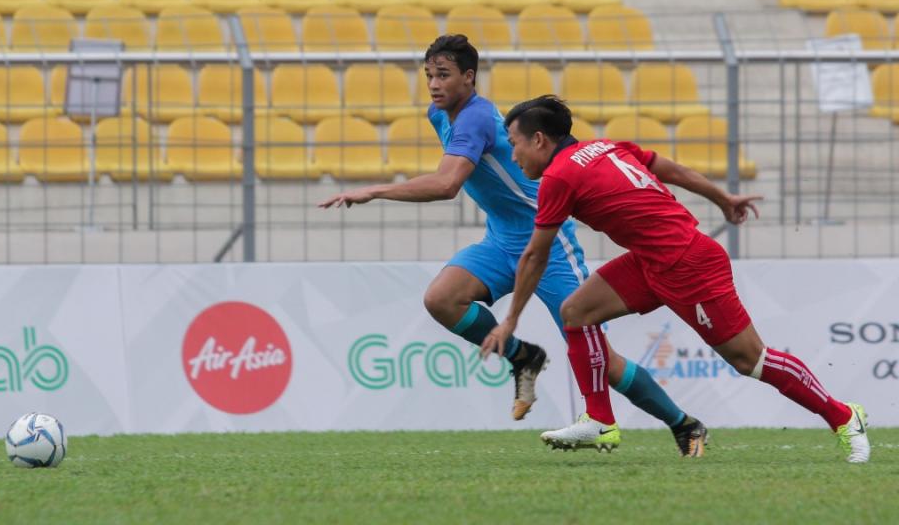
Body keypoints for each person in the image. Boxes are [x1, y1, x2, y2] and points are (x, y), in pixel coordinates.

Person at [320, 35, 708, 456]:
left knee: (605, 363)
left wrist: (376, 191)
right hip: (501, 237)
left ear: (469, 78)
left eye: (444, 75)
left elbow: (448, 183)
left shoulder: (475, 118)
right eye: (429, 75)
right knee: (442, 298)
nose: (433, 84)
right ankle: (524, 358)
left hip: (549, 241)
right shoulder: (439, 114)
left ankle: (683, 424)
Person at [483, 95, 870, 463]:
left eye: (514, 143)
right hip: (651, 261)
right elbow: (669, 168)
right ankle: (600, 421)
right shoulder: (606, 146)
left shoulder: (559, 176)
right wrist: (721, 197)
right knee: (576, 312)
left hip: (689, 264)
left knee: (750, 360)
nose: (512, 155)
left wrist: (511, 320)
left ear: (538, 139)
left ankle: (842, 416)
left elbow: (535, 254)